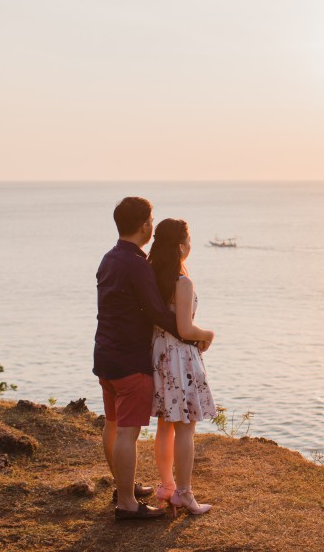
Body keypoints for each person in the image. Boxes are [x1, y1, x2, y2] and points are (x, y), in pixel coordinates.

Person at [93, 196, 181, 521]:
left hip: (104, 354)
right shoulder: (137, 264)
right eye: (152, 220)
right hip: (130, 360)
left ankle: (123, 488)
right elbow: (157, 312)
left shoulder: (108, 259)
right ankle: (127, 504)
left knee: (113, 425)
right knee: (128, 432)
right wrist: (190, 333)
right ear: (145, 225)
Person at [147, 218, 217, 516]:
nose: (191, 246)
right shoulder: (181, 282)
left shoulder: (150, 277)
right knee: (185, 428)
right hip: (179, 358)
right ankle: (185, 494)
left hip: (158, 355)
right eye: (189, 240)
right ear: (180, 246)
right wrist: (207, 334)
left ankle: (167, 486)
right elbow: (186, 328)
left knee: (165, 424)